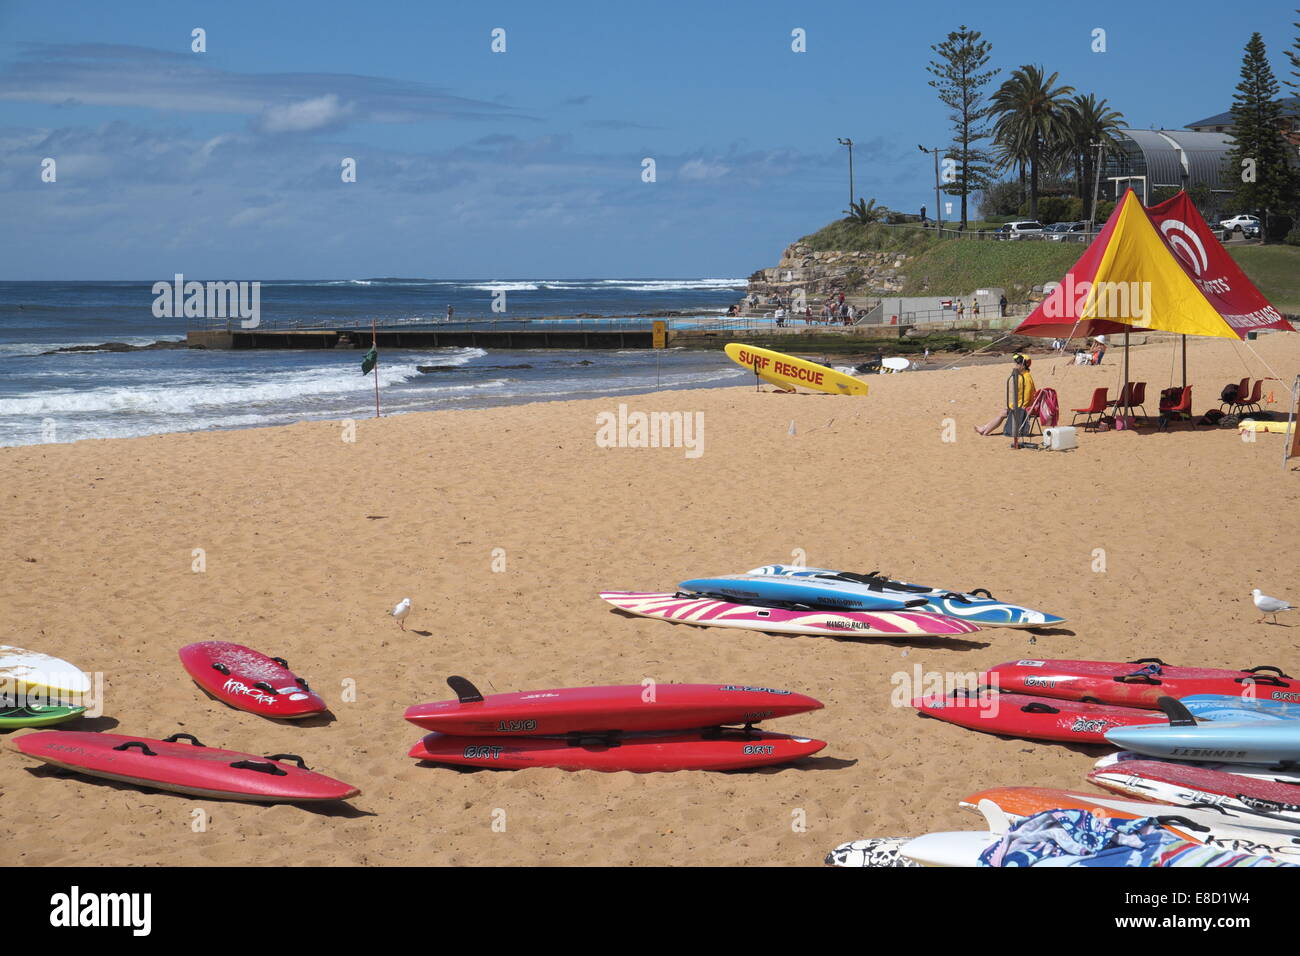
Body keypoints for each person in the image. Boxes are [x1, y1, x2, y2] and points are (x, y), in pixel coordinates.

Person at [975, 354, 1037, 436]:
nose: (1016, 365)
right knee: (1003, 412)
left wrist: (1014, 407)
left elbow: (1026, 398)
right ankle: (985, 430)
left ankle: (985, 430)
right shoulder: (1022, 376)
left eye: (1018, 364)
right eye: (1016, 363)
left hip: (1025, 407)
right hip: (1020, 405)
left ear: (1023, 365)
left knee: (1003, 413)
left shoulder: (1026, 378)